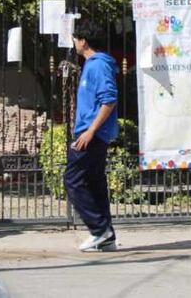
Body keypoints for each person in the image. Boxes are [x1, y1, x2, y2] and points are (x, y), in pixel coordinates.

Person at [66, 19, 120, 252]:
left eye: (76, 39)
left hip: (92, 134)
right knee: (94, 182)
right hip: (92, 132)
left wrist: (90, 131)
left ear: (83, 41)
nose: (75, 44)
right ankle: (106, 236)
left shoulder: (97, 65)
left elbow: (109, 100)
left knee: (72, 179)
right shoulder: (92, 64)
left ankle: (99, 229)